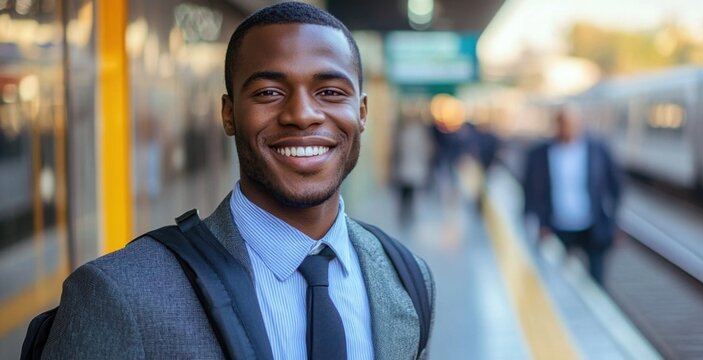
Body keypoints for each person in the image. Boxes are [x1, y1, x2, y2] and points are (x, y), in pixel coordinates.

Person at [40, 2, 434, 359]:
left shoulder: (409, 279)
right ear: (228, 114)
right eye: (268, 92)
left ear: (361, 112)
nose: (302, 114)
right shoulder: (118, 294)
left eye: (330, 91)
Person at [523, 103, 622, 285]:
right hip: (556, 226)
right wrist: (539, 222)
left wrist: (613, 221)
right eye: (563, 123)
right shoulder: (540, 153)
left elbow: (616, 186)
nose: (567, 128)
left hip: (592, 226)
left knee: (596, 280)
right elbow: (530, 189)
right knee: (554, 278)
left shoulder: (598, 149)